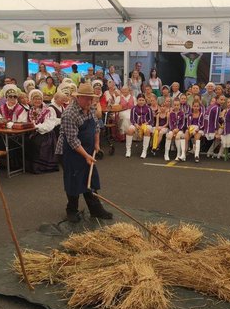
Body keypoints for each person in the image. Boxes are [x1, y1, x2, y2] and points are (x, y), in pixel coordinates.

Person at [55, 83, 113, 223]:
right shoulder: (69, 114)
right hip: (69, 152)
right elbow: (72, 140)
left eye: (91, 98)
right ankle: (71, 210)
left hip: (87, 149)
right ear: (78, 97)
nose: (90, 102)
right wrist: (86, 156)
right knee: (74, 180)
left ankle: (95, 210)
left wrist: (97, 144)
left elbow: (97, 128)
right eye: (86, 98)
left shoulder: (91, 108)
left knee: (90, 179)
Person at [27, 89, 62, 174]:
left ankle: (41, 167)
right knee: (27, 141)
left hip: (46, 134)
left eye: (39, 99)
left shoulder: (47, 110)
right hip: (34, 132)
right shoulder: (30, 111)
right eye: (35, 99)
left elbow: (49, 125)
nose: (37, 101)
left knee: (37, 142)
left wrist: (36, 127)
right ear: (31, 100)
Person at [125, 94, 153, 158]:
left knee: (147, 130)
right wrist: (136, 124)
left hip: (146, 125)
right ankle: (128, 150)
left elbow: (151, 120)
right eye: (139, 100)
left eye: (142, 100)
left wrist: (145, 124)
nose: (141, 101)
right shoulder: (133, 108)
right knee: (130, 130)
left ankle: (144, 151)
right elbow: (132, 119)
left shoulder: (148, 108)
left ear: (145, 101)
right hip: (136, 125)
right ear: (137, 101)